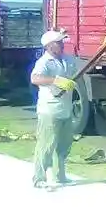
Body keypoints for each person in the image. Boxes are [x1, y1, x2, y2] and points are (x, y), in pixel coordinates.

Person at [30, 29, 79, 190]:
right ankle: (39, 178)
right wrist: (55, 80)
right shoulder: (44, 62)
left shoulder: (66, 59)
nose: (62, 45)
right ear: (49, 46)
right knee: (46, 145)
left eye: (62, 42)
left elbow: (79, 68)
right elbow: (35, 78)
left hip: (65, 109)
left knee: (64, 145)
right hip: (49, 110)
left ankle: (61, 175)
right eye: (58, 42)